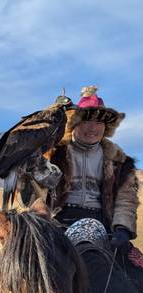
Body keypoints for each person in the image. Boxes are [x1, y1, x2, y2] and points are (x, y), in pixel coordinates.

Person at [47, 86, 138, 254]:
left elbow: (126, 199)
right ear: (74, 124)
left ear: (106, 127)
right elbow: (34, 192)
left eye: (98, 123)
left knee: (136, 274)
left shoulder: (120, 162)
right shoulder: (52, 154)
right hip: (57, 222)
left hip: (103, 225)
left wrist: (122, 228)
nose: (93, 128)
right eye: (87, 122)